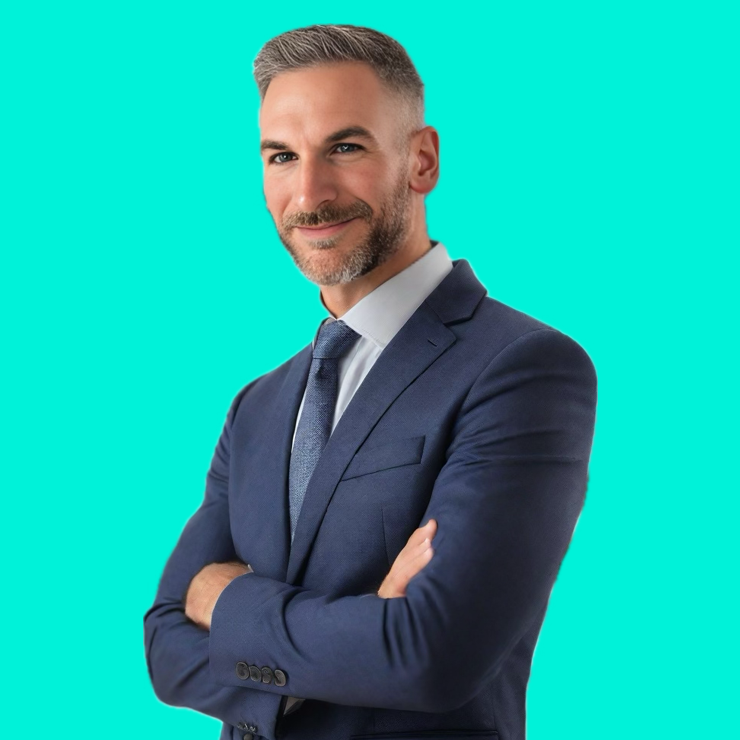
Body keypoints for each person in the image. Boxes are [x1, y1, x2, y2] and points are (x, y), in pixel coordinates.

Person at [143, 23, 597, 740]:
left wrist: (227, 603)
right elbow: (165, 646)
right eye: (282, 156)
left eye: (345, 148)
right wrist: (349, 638)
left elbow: (427, 655)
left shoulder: (521, 369)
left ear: (421, 161)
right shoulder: (257, 406)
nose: (309, 192)